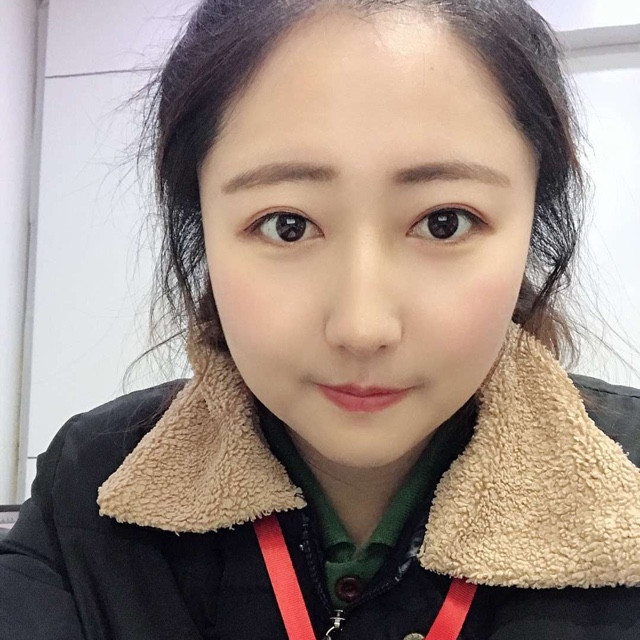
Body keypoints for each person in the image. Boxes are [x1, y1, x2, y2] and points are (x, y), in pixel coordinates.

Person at [1, 0, 639, 638]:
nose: (362, 328)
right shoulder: (90, 487)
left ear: (533, 225)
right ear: (203, 229)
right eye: (288, 225)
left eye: (444, 222)